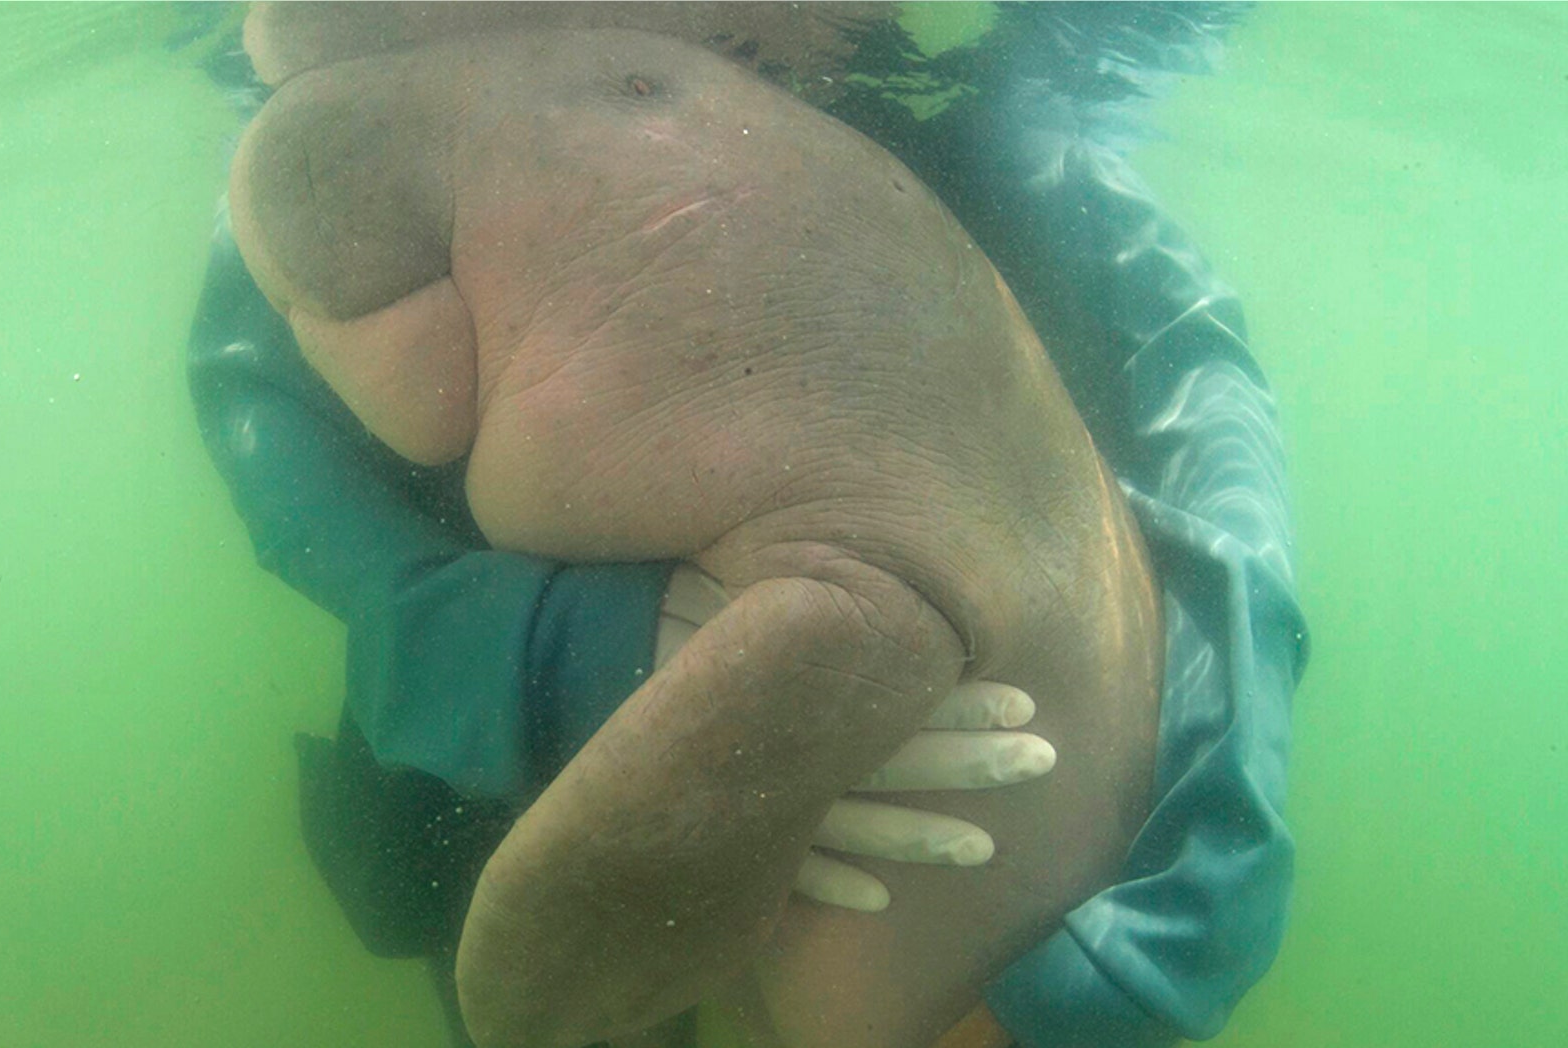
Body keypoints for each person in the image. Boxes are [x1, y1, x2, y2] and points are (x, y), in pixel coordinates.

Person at [188, 4, 1307, 1046]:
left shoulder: (1011, 152)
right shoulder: (355, 145)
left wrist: (1152, 936)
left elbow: (1213, 445)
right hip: (498, 794)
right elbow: (305, 509)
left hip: (976, 911)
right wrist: (580, 660)